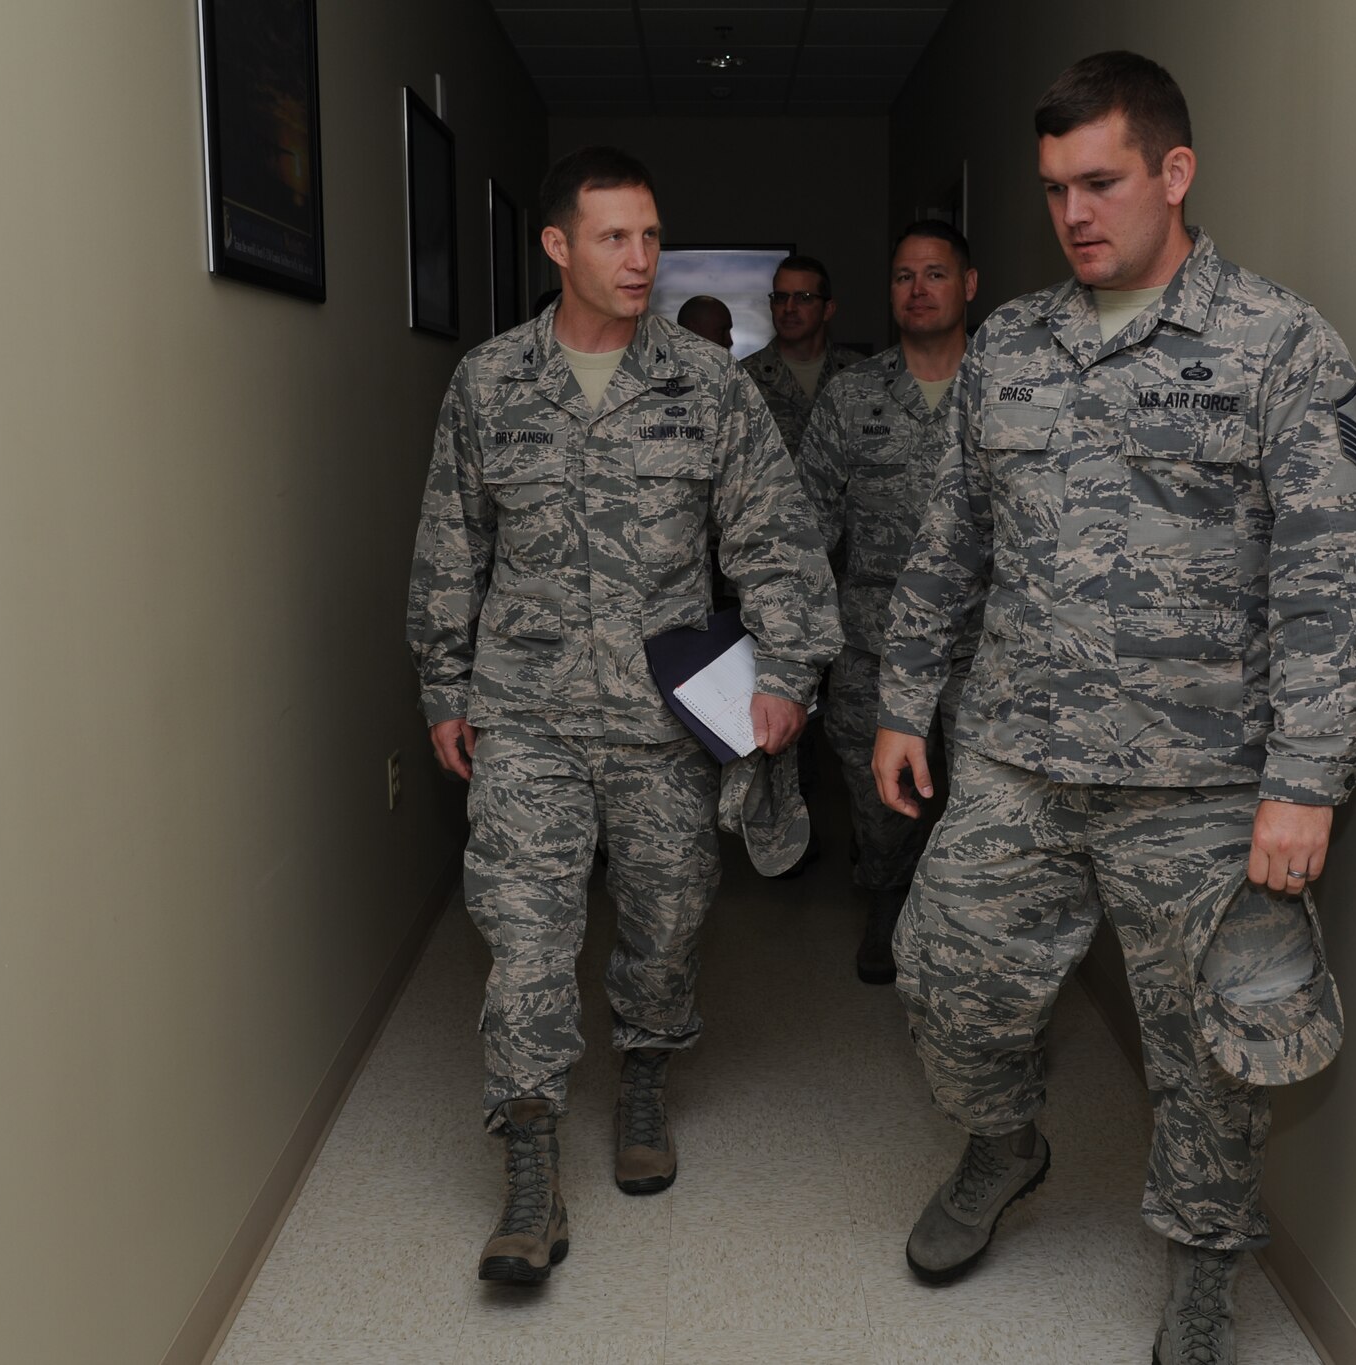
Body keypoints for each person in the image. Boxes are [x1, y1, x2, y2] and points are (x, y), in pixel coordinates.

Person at [870, 52, 1356, 1364]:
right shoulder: (1008, 346)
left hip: (1211, 782)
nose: (1074, 212)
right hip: (1017, 758)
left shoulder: (1278, 343)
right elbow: (951, 543)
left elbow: (1348, 583)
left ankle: (1203, 1267)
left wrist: (1307, 781)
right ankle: (1004, 1145)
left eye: (1101, 181)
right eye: (1054, 188)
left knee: (1215, 1058)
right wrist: (902, 700)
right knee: (946, 983)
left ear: (1174, 173)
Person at [407, 145, 841, 1286]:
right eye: (614, 237)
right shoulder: (489, 386)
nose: (640, 258)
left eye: (650, 235)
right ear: (557, 247)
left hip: (662, 727)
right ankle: (531, 1172)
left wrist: (788, 672)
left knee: (667, 922)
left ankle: (645, 1070)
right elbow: (452, 547)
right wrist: (443, 685)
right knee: (525, 945)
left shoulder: (707, 387)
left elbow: (774, 539)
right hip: (528, 716)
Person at [797, 220, 979, 984]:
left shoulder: (1010, 390)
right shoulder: (852, 396)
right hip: (872, 639)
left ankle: (967, 926)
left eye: (936, 273)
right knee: (879, 799)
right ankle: (886, 892)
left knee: (983, 792)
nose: (919, 289)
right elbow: (807, 523)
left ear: (968, 285)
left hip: (985, 641)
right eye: (904, 276)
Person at [740, 254, 869, 457]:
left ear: (828, 310)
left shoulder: (862, 375)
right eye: (781, 298)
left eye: (803, 298)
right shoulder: (743, 378)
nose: (789, 308)